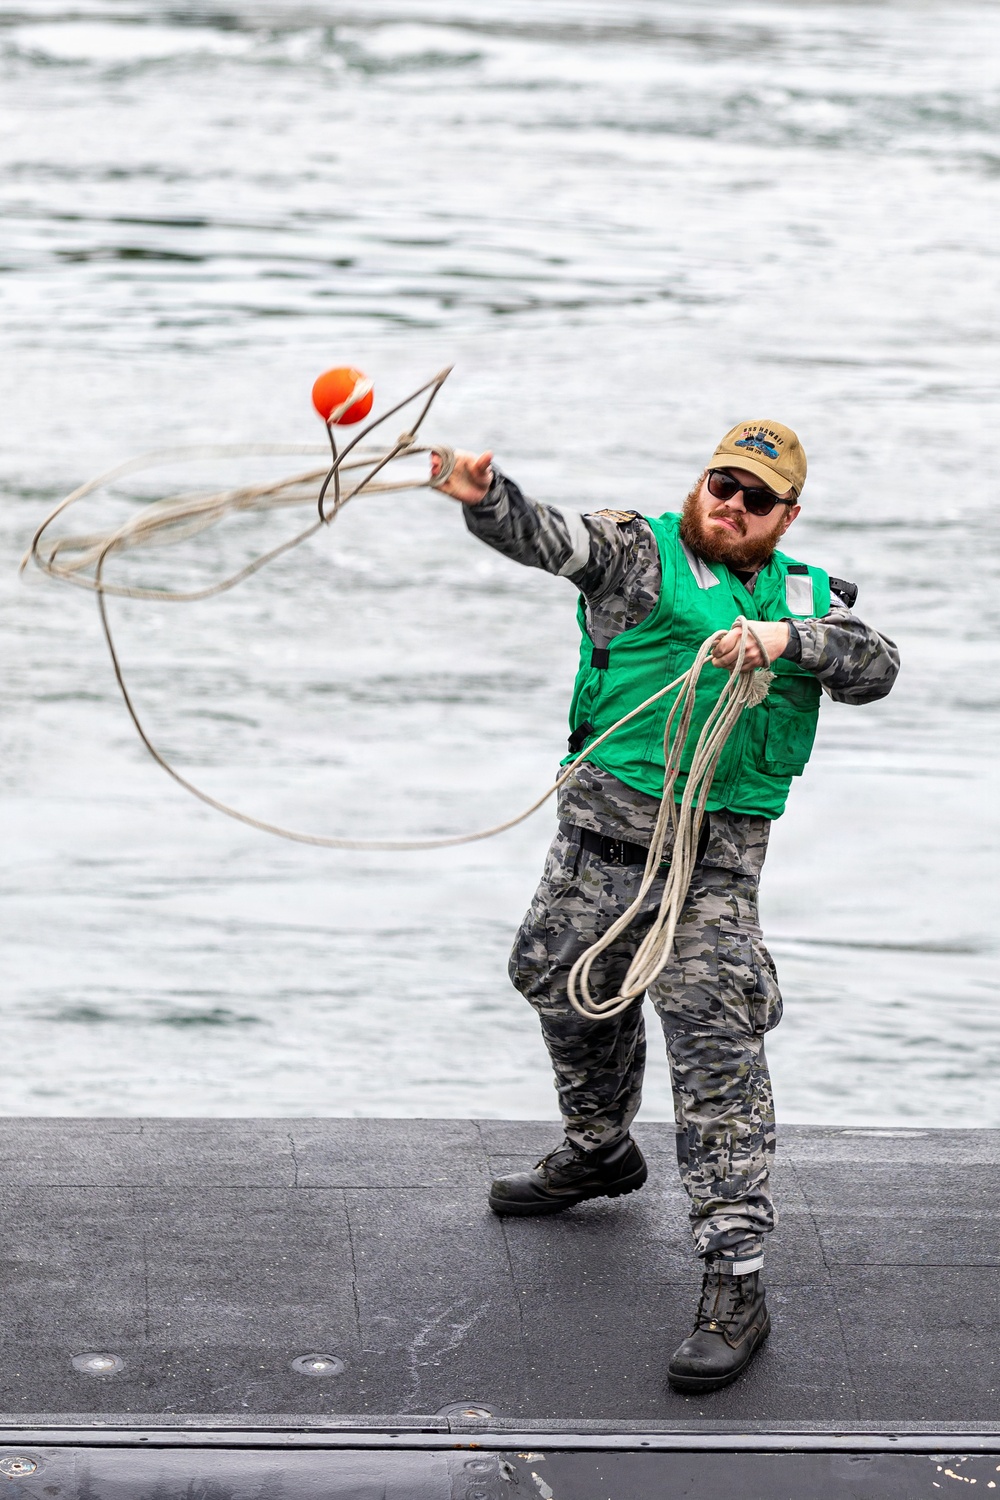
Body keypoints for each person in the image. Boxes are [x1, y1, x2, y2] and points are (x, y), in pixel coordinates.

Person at [431, 421, 899, 1393]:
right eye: (722, 483)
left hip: (712, 872)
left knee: (716, 1045)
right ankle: (598, 1150)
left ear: (786, 517)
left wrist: (785, 641)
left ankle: (736, 1281)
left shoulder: (808, 596)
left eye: (756, 497)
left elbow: (877, 666)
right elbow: (554, 539)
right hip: (596, 852)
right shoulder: (638, 560)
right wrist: (487, 498)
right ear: (701, 484)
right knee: (556, 983)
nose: (732, 505)